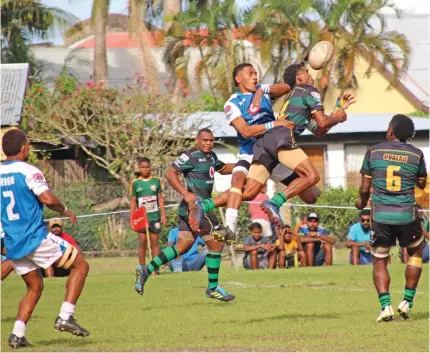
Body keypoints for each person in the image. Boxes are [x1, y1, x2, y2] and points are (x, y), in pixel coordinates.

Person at [189, 63, 322, 236]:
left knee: (311, 196)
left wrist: (262, 90)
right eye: (250, 73)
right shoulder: (233, 103)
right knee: (245, 188)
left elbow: (287, 86)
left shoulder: (263, 93)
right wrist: (273, 123)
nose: (255, 76)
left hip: (275, 149)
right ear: (238, 79)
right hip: (251, 153)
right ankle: (228, 227)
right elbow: (245, 130)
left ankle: (204, 205)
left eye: (256, 73)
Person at [0, 129, 90, 348]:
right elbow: (47, 198)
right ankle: (66, 316)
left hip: (12, 242)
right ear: (23, 148)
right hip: (34, 237)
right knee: (81, 266)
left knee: (35, 286)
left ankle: (17, 334)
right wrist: (65, 209)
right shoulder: (28, 170)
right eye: (28, 145)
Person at [135, 128, 236, 301]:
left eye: (211, 141)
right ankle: (213, 288)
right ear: (197, 140)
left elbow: (224, 168)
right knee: (217, 245)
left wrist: (246, 166)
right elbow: (170, 173)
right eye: (205, 140)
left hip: (191, 208)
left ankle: (147, 269)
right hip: (197, 207)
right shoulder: (190, 156)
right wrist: (185, 193)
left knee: (183, 246)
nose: (208, 143)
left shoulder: (211, 157)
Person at [253, 64, 356, 227]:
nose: (311, 75)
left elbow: (319, 130)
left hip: (268, 145)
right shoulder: (309, 90)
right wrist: (340, 118)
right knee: (313, 176)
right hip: (281, 138)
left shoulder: (296, 97)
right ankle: (274, 203)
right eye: (307, 72)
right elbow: (323, 121)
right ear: (300, 78)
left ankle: (207, 205)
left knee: (312, 195)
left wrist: (337, 110)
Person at [356, 114, 427, 322]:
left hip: (381, 215)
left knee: (379, 260)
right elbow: (422, 183)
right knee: (415, 252)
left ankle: (385, 306)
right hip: (407, 214)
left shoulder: (374, 151)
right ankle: (407, 301)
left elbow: (364, 188)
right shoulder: (416, 155)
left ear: (390, 131)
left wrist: (361, 202)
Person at [130, 157, 166, 292]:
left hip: (154, 216)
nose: (145, 169)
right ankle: (142, 268)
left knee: (155, 243)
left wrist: (163, 214)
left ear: (151, 167)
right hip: (141, 218)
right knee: (142, 243)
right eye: (143, 167)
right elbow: (133, 201)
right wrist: (132, 217)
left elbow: (160, 199)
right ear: (139, 168)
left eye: (148, 167)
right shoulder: (135, 183)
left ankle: (155, 268)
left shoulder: (156, 181)